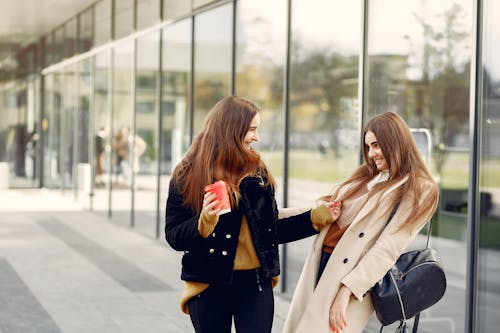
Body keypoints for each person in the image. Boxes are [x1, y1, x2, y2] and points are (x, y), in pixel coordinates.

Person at [165, 96, 341, 333]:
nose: (256, 137)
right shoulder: (187, 173)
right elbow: (174, 236)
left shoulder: (257, 171)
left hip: (255, 283)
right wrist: (205, 219)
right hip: (208, 284)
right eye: (251, 130)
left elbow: (270, 230)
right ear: (231, 130)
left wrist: (317, 217)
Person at [282, 112, 439, 333]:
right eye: (368, 147)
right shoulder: (368, 175)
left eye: (377, 145)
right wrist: (266, 216)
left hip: (349, 278)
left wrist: (347, 290)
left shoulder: (419, 188)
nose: (372, 153)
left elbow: (388, 248)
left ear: (395, 142)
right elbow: (323, 208)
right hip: (320, 264)